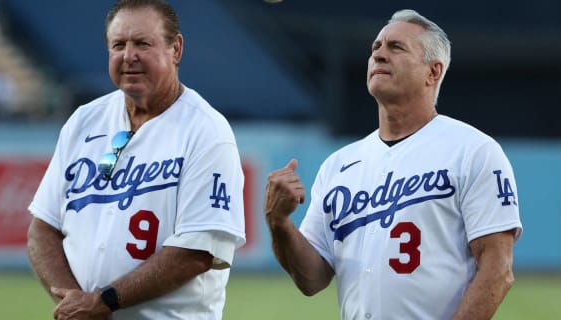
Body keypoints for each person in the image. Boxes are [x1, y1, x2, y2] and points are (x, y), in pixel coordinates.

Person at [265, 9, 522, 320]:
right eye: (376, 48)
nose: (379, 55)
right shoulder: (338, 166)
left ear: (433, 72)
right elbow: (312, 279)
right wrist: (279, 223)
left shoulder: (473, 151)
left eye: (396, 47)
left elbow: (498, 269)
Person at [26, 1, 246, 319]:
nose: (129, 56)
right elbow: (42, 229)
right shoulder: (84, 121)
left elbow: (196, 252)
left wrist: (104, 302)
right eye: (119, 45)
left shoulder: (206, 131)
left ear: (176, 49)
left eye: (143, 43)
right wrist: (75, 304)